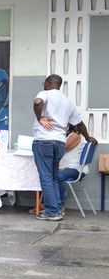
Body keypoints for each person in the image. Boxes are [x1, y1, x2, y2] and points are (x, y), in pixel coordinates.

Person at [33, 74, 94, 221]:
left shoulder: (45, 93)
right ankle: (56, 209)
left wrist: (39, 117)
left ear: (48, 83)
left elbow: (37, 102)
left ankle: (52, 212)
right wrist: (87, 137)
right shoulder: (68, 102)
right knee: (53, 176)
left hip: (44, 141)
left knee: (46, 177)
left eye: (45, 83)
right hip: (59, 142)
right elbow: (79, 124)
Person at [56, 126, 97, 199]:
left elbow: (64, 148)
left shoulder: (75, 135)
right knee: (47, 175)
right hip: (71, 167)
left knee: (57, 177)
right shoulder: (72, 135)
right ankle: (48, 202)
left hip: (75, 168)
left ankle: (59, 205)